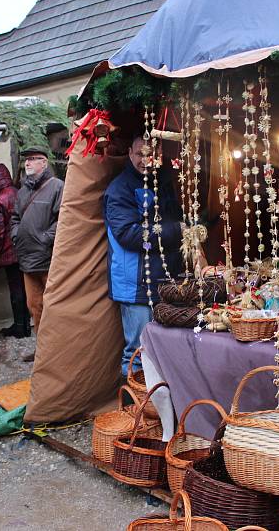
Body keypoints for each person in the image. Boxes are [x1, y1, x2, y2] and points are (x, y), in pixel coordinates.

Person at [104, 134, 183, 376]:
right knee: (138, 351)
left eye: (152, 155)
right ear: (129, 152)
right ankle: (134, 408)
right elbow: (130, 235)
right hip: (135, 284)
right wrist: (178, 230)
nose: (146, 161)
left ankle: (158, 409)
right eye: (140, 154)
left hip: (164, 279)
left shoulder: (163, 183)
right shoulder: (119, 189)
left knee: (163, 349)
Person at [10, 145, 63, 362]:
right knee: (35, 308)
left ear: (44, 162)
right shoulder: (23, 191)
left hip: (48, 259)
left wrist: (45, 238)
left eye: (33, 159)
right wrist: (17, 235)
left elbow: (63, 220)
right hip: (27, 260)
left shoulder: (57, 186)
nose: (28, 163)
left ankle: (60, 351)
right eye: (26, 159)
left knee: (55, 308)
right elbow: (14, 218)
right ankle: (43, 352)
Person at [0, 163, 30, 338]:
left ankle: (19, 325)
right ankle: (26, 324)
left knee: (15, 289)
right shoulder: (20, 192)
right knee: (25, 287)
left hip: (8, 250)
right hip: (25, 247)